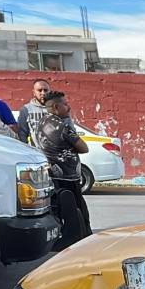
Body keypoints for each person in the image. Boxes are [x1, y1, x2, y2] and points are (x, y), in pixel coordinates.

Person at [32, 91, 91, 250]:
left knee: (61, 211)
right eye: (65, 104)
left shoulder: (41, 122)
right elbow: (84, 148)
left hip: (54, 175)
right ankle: (79, 242)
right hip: (68, 177)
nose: (69, 107)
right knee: (77, 213)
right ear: (56, 107)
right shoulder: (61, 126)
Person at [17, 79, 51, 145]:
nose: (43, 93)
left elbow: (70, 130)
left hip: (56, 153)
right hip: (36, 152)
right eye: (39, 90)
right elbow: (22, 134)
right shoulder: (26, 109)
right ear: (34, 92)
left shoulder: (58, 108)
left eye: (46, 90)